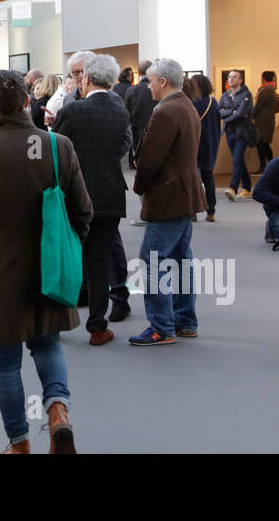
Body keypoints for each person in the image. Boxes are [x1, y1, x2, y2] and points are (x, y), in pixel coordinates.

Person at [0, 70, 92, 454]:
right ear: (28, 101)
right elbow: (83, 211)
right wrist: (66, 250)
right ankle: (58, 412)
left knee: (6, 362)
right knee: (48, 345)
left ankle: (19, 444)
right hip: (48, 270)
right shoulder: (58, 146)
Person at [52, 53, 129, 346]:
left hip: (74, 197)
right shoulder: (120, 113)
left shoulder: (73, 111)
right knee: (99, 262)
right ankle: (97, 327)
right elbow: (121, 148)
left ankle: (55, 321)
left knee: (65, 258)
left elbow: (56, 152)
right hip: (110, 195)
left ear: (86, 78)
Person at [130, 59, 205, 345]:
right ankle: (185, 321)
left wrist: (139, 186)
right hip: (184, 194)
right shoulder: (185, 105)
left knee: (152, 260)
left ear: (162, 81)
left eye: (150, 81)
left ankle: (161, 327)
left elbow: (150, 159)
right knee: (181, 259)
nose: (148, 86)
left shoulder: (166, 111)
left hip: (168, 196)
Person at [190, 74, 222, 222]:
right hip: (209, 145)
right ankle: (211, 212)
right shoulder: (212, 102)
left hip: (194, 144)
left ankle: (193, 211)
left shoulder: (191, 102)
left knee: (193, 178)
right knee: (208, 178)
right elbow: (217, 124)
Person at [219, 69, 254, 200]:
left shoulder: (246, 95)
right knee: (238, 160)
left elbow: (241, 113)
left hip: (242, 132)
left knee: (236, 159)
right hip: (229, 132)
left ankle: (232, 188)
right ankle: (247, 188)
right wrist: (232, 112)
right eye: (229, 77)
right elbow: (218, 112)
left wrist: (228, 114)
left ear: (240, 80)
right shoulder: (225, 95)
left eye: (234, 77)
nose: (231, 79)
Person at [253, 70, 279, 172]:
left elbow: (258, 106)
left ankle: (267, 166)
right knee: (263, 144)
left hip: (263, 122)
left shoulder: (266, 90)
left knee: (262, 144)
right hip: (265, 122)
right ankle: (268, 166)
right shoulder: (270, 89)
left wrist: (250, 116)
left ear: (263, 78)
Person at [127, 61, 155, 169]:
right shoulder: (158, 89)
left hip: (138, 134)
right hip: (155, 131)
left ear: (138, 72)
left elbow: (127, 112)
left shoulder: (132, 90)